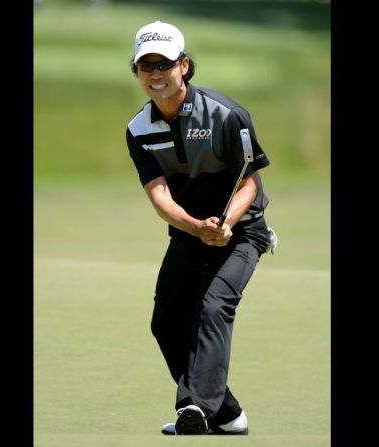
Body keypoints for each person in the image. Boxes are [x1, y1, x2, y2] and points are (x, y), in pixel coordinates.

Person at [125, 21, 277, 435]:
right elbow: (160, 197)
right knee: (167, 320)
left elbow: (250, 181)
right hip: (191, 232)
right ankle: (226, 414)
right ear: (137, 71)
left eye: (165, 64)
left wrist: (225, 223)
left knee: (213, 307)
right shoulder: (138, 130)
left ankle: (196, 409)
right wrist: (196, 226)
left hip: (243, 231)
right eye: (146, 66)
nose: (156, 74)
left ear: (185, 65)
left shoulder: (227, 115)